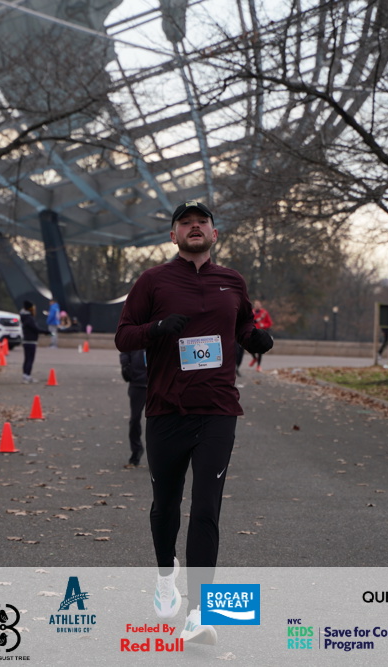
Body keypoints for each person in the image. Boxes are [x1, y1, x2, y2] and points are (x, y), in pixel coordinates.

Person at [115, 200, 273, 645]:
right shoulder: (152, 281)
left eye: (202, 222)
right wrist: (157, 329)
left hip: (218, 409)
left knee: (206, 510)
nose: (195, 227)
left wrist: (256, 339)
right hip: (166, 408)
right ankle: (166, 575)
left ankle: (200, 614)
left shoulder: (232, 281)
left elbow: (242, 327)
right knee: (166, 507)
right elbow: (123, 336)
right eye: (185, 223)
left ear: (214, 233)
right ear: (173, 236)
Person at [119, 348, 147, 467]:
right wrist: (126, 366)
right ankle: (136, 450)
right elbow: (124, 347)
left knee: (158, 421)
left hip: (158, 383)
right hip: (137, 383)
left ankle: (158, 455)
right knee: (135, 419)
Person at [247, 299, 272, 371]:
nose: (257, 306)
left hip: (261, 333)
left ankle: (258, 366)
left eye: (258, 305)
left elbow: (269, 323)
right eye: (256, 305)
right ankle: (254, 358)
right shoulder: (252, 312)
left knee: (260, 350)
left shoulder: (264, 313)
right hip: (253, 332)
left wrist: (264, 325)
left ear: (261, 305)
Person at [20, 300, 41, 383]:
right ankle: (27, 376)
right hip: (31, 341)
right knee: (30, 359)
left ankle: (25, 375)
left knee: (26, 359)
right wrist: (46, 332)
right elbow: (35, 329)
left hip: (26, 340)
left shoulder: (24, 317)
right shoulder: (29, 318)